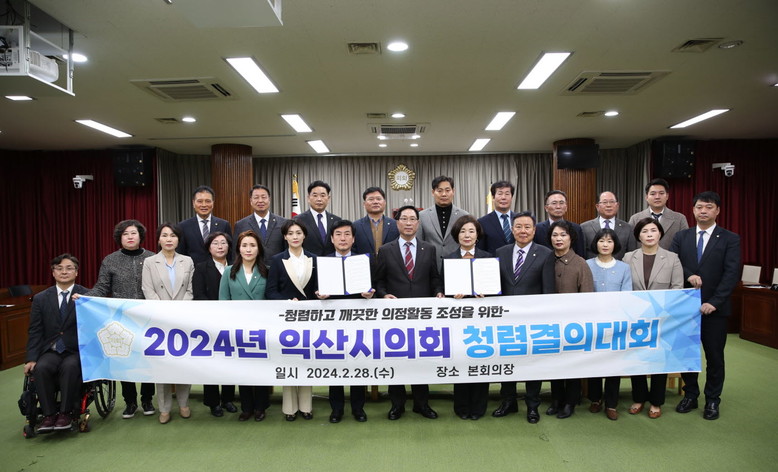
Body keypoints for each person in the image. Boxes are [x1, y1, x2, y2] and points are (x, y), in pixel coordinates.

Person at [671, 191, 740, 420]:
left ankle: (712, 400)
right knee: (686, 355)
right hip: (685, 309)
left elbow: (731, 273)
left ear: (717, 211)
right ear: (693, 210)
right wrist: (689, 275)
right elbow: (673, 263)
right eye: (699, 207)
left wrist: (714, 302)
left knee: (714, 357)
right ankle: (690, 394)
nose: (703, 211)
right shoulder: (681, 237)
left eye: (708, 207)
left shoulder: (730, 238)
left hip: (714, 310)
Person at [375, 205, 444, 420]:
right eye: (403, 219)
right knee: (396, 360)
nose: (408, 223)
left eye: (412, 219)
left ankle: (421, 404)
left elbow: (434, 278)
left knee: (421, 360)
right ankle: (397, 405)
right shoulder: (386, 250)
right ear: (397, 223)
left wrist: (438, 291)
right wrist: (383, 295)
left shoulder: (428, 249)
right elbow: (379, 281)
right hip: (395, 316)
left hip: (422, 316)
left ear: (418, 223)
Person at [84, 219, 156, 418]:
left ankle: (147, 399)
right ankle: (130, 401)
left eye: (133, 233)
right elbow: (102, 287)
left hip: (148, 318)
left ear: (140, 236)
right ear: (119, 238)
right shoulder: (110, 260)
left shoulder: (152, 258)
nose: (130, 237)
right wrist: (85, 298)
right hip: (121, 319)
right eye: (125, 234)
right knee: (125, 360)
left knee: (148, 359)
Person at [493, 212, 555, 424]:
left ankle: (532, 405)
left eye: (527, 227)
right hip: (505, 321)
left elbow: (548, 291)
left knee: (532, 364)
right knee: (507, 362)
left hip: (533, 321)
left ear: (534, 230)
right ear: (512, 230)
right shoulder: (500, 252)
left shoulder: (545, 254)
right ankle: (508, 402)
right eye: (518, 226)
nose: (523, 231)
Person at [623, 217, 683, 419]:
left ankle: (656, 401)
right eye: (644, 231)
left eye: (653, 230)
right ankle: (639, 398)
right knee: (637, 358)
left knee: (659, 359)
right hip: (636, 317)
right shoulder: (628, 258)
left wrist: (662, 312)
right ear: (638, 236)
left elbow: (677, 289)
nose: (649, 234)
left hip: (662, 319)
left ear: (660, 234)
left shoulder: (672, 258)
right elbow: (625, 288)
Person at [316, 220, 373, 423]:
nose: (343, 238)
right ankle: (336, 409)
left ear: (353, 238)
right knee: (335, 364)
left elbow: (374, 286)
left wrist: (370, 294)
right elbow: (315, 289)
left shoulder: (362, 261)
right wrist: (319, 294)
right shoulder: (323, 262)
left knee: (357, 362)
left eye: (347, 234)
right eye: (338, 234)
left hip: (357, 321)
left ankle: (358, 408)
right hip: (332, 322)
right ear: (332, 239)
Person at [24, 254, 89, 433]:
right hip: (51, 350)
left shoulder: (87, 295)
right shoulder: (40, 298)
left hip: (76, 350)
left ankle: (66, 413)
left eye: (69, 268)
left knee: (69, 367)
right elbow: (35, 330)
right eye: (59, 268)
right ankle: (48, 415)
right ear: (53, 273)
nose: (64, 272)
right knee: (41, 368)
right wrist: (31, 358)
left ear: (76, 272)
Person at [141, 223, 195, 424]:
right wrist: (164, 311)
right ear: (158, 239)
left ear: (178, 239)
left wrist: (179, 310)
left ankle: (183, 404)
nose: (169, 239)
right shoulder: (150, 262)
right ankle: (164, 408)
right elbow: (147, 290)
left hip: (183, 318)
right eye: (164, 235)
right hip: (159, 320)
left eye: (173, 235)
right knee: (161, 365)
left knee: (183, 363)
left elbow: (190, 289)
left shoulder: (187, 261)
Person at [266, 221, 318, 421]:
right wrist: (287, 302)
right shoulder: (277, 260)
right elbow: (271, 291)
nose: (295, 236)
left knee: (306, 360)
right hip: (286, 319)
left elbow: (319, 287)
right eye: (290, 233)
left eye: (298, 232)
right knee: (288, 362)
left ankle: (306, 407)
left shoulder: (314, 259)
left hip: (309, 319)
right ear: (285, 237)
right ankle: (289, 409)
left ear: (304, 236)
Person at [219, 231, 271, 422]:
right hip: (237, 328)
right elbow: (223, 300)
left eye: (252, 245)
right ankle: (246, 407)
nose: (248, 249)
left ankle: (261, 406)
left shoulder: (267, 270)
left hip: (261, 329)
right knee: (243, 369)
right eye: (244, 245)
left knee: (261, 369)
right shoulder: (229, 271)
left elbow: (272, 301)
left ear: (259, 249)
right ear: (238, 249)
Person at [444, 215, 491, 420]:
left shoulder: (488, 258)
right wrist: (449, 294)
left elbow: (497, 288)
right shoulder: (448, 259)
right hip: (458, 321)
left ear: (477, 235)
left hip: (483, 320)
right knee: (461, 361)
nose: (467, 235)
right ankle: (461, 406)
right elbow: (441, 288)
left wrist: (487, 293)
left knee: (481, 360)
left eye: (471, 231)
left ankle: (479, 407)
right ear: (457, 235)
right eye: (462, 231)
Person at [547, 220, 594, 419]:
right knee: (553, 362)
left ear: (571, 238)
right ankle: (556, 400)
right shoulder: (546, 260)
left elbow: (587, 297)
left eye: (563, 235)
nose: (558, 239)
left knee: (572, 364)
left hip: (574, 324)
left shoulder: (580, 263)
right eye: (555, 235)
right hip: (549, 323)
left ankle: (570, 402)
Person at [585, 229, 632, 421]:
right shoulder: (587, 264)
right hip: (593, 323)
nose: (605, 244)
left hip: (616, 323)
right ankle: (595, 399)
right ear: (595, 243)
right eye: (602, 241)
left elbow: (627, 296)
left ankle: (611, 403)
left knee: (614, 363)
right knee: (595, 361)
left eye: (609, 241)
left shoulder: (624, 268)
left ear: (615, 245)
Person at [192, 232, 238, 417]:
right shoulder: (201, 267)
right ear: (208, 248)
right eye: (215, 243)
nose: (220, 246)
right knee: (211, 362)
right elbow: (199, 295)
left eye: (223, 243)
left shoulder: (236, 267)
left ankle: (228, 399)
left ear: (229, 246)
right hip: (209, 321)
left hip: (232, 321)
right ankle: (213, 402)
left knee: (230, 361)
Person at [418, 175, 469, 269]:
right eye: (439, 191)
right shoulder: (422, 216)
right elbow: (419, 243)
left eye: (447, 190)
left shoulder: (464, 216)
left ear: (453, 191)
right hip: (430, 267)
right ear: (433, 192)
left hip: (457, 266)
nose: (444, 194)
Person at [233, 184, 288, 265]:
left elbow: (287, 250)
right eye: (256, 197)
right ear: (251, 201)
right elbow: (235, 253)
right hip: (252, 269)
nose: (260, 200)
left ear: (269, 199)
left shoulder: (283, 223)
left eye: (263, 197)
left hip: (278, 268)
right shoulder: (241, 225)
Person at [177, 185, 232, 265]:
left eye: (208, 201)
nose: (204, 205)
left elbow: (230, 253)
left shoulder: (224, 225)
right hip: (193, 270)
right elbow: (180, 253)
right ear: (193, 203)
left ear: (213, 203)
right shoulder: (183, 226)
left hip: (219, 270)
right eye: (200, 201)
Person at [628, 178, 689, 250]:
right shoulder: (635, 219)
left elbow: (685, 245)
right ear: (646, 197)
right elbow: (631, 246)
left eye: (661, 193)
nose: (657, 197)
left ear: (667, 196)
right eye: (653, 194)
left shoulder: (679, 219)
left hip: (670, 257)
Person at [581, 191, 636, 260]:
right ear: (597, 206)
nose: (608, 205)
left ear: (617, 205)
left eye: (612, 202)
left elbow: (631, 254)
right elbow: (581, 254)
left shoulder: (628, 228)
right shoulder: (584, 227)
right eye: (604, 202)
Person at [295, 180, 342, 256]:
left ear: (328, 198)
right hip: (308, 262)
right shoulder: (298, 220)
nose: (319, 199)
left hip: (332, 261)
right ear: (308, 198)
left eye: (323, 195)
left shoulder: (337, 220)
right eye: (315, 195)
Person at [533, 190, 586, 257]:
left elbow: (580, 254)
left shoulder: (576, 228)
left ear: (566, 207)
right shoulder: (537, 228)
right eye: (554, 203)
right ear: (546, 208)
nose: (558, 206)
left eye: (561, 203)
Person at [353, 186, 399, 256]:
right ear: (364, 204)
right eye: (371, 199)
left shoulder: (395, 224)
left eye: (378, 199)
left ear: (384, 202)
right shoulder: (356, 226)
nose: (375, 202)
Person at [476, 180, 517, 255]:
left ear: (511, 197)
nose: (503, 197)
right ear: (493, 197)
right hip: (493, 261)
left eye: (507, 194)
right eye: (500, 194)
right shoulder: (482, 222)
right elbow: (481, 251)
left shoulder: (519, 219)